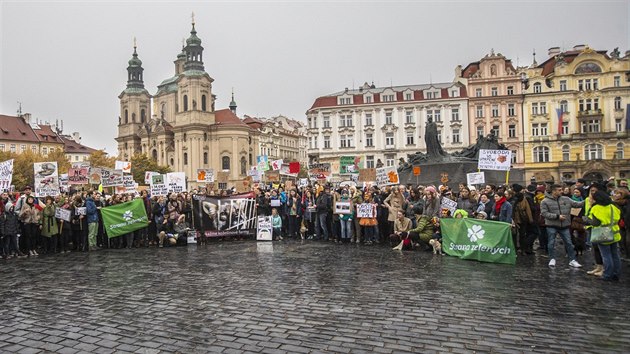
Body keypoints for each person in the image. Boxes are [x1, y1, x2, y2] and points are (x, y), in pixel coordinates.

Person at [541, 184, 584, 268]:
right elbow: (544, 213)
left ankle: (572, 260)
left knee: (569, 243)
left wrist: (587, 200)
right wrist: (557, 216)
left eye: (561, 190)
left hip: (564, 225)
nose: (562, 191)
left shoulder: (566, 199)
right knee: (551, 243)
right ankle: (552, 258)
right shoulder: (545, 201)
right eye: (559, 190)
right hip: (552, 225)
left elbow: (577, 204)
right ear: (554, 191)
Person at [585, 190, 622, 281]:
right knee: (615, 255)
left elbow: (595, 223)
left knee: (606, 255)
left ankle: (607, 274)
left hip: (603, 234)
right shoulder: (613, 206)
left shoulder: (596, 208)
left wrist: (586, 219)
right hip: (615, 233)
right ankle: (616, 274)